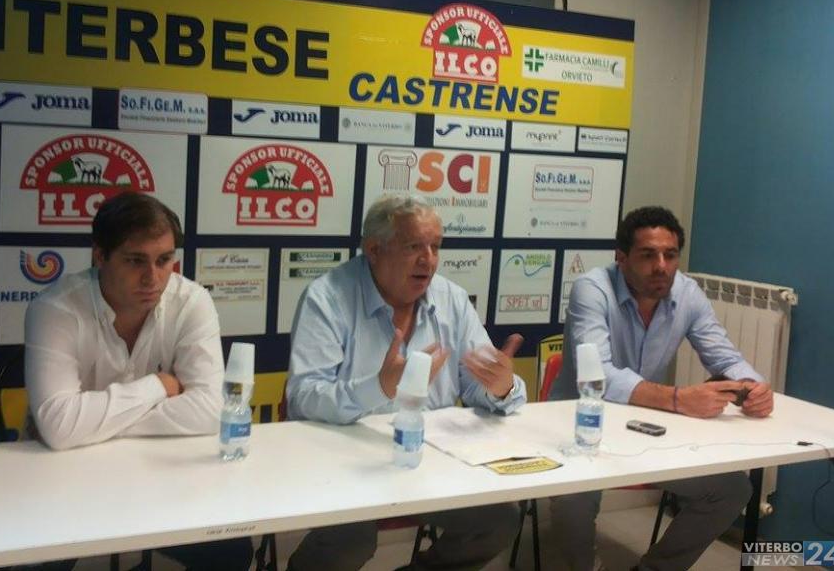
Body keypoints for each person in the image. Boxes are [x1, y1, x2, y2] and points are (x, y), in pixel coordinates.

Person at [286, 194, 527, 571]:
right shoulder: (327, 297)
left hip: (429, 459)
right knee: (351, 540)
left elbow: (478, 384)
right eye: (414, 246)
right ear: (374, 250)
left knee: (498, 519)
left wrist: (502, 387)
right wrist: (380, 388)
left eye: (435, 247)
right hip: (344, 461)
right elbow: (303, 398)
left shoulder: (452, 300)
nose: (428, 260)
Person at [24, 191, 252, 571]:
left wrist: (90, 422)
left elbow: (212, 409)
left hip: (156, 467)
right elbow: (60, 426)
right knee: (34, 561)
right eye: (135, 261)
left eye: (164, 260)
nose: (153, 277)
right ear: (100, 256)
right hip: (64, 473)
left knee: (229, 552)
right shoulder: (55, 309)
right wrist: (158, 387)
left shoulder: (192, 301)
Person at [549, 206, 774, 571]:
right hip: (578, 424)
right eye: (648, 255)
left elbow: (724, 356)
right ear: (621, 258)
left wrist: (753, 386)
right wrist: (677, 398)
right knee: (573, 498)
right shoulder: (592, 289)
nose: (661, 267)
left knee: (733, 489)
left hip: (643, 427)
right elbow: (598, 375)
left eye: (670, 255)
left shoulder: (687, 293)